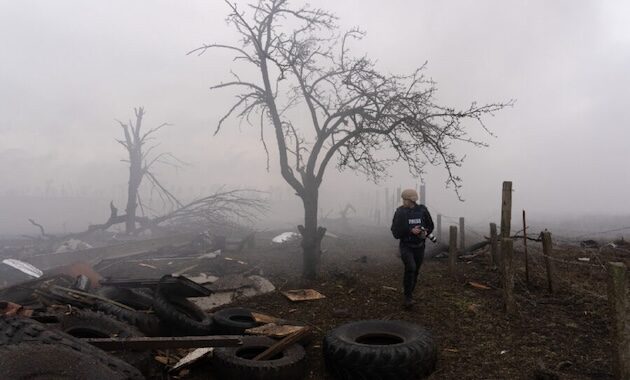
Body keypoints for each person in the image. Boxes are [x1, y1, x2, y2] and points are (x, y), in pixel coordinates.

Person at [390, 188, 434, 309]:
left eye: (405, 200)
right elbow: (395, 232)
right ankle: (408, 298)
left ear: (411, 200)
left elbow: (430, 225)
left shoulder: (422, 210)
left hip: (420, 246)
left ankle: (409, 292)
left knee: (415, 271)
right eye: (403, 199)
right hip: (406, 246)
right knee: (410, 268)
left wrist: (425, 232)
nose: (404, 202)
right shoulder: (400, 212)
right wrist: (410, 231)